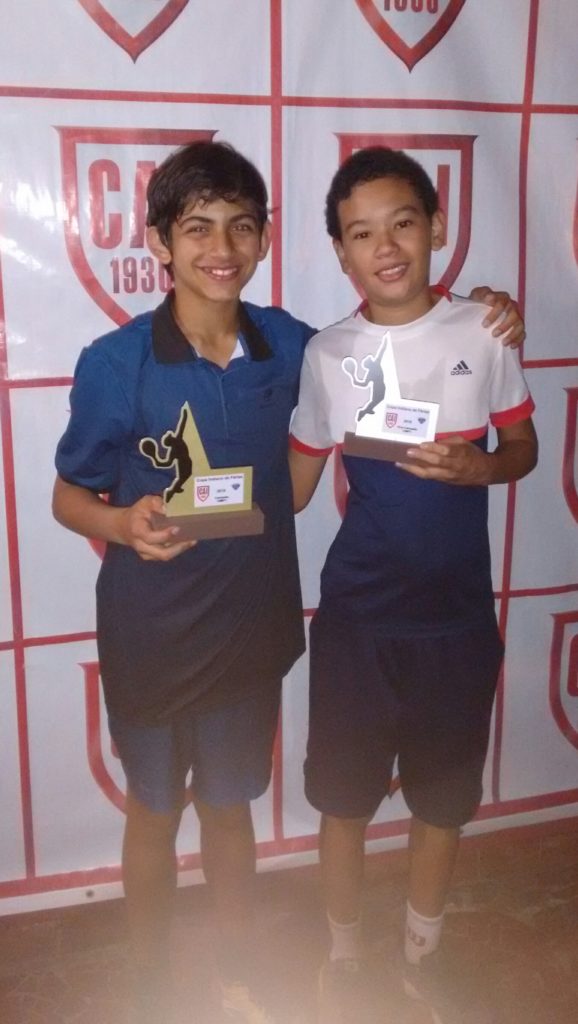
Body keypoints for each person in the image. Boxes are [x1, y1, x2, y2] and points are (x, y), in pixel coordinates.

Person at [52, 138, 526, 1024]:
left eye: (241, 226)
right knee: (153, 811)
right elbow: (66, 495)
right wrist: (120, 524)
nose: (220, 246)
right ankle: (150, 983)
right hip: (150, 633)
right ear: (158, 242)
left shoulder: (300, 348)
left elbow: (394, 330)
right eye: (197, 228)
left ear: (266, 239)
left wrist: (489, 312)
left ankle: (237, 976)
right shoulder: (115, 362)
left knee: (230, 810)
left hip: (250, 630)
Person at [288, 146, 537, 1023]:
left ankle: (420, 960)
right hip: (358, 623)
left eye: (402, 223)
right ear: (340, 252)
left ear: (436, 226)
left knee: (443, 805)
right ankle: (345, 958)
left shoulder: (485, 330)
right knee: (344, 803)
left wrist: (482, 467)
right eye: (361, 233)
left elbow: (523, 448)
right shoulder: (328, 353)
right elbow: (294, 487)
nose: (385, 246)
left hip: (457, 625)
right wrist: (185, 495)